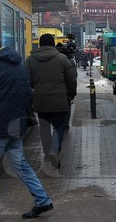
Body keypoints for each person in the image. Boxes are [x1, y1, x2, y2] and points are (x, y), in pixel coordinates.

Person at [0, 32, 54, 222]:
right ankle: (42, 200)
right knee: (21, 165)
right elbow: (26, 94)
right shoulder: (18, 66)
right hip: (16, 126)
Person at [26, 33, 78, 168]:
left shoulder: (30, 60)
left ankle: (46, 151)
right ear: (53, 44)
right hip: (59, 100)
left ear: (39, 44)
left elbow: (27, 81)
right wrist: (71, 94)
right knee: (59, 126)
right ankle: (55, 151)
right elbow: (71, 79)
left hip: (40, 100)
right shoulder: (62, 59)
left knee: (44, 127)